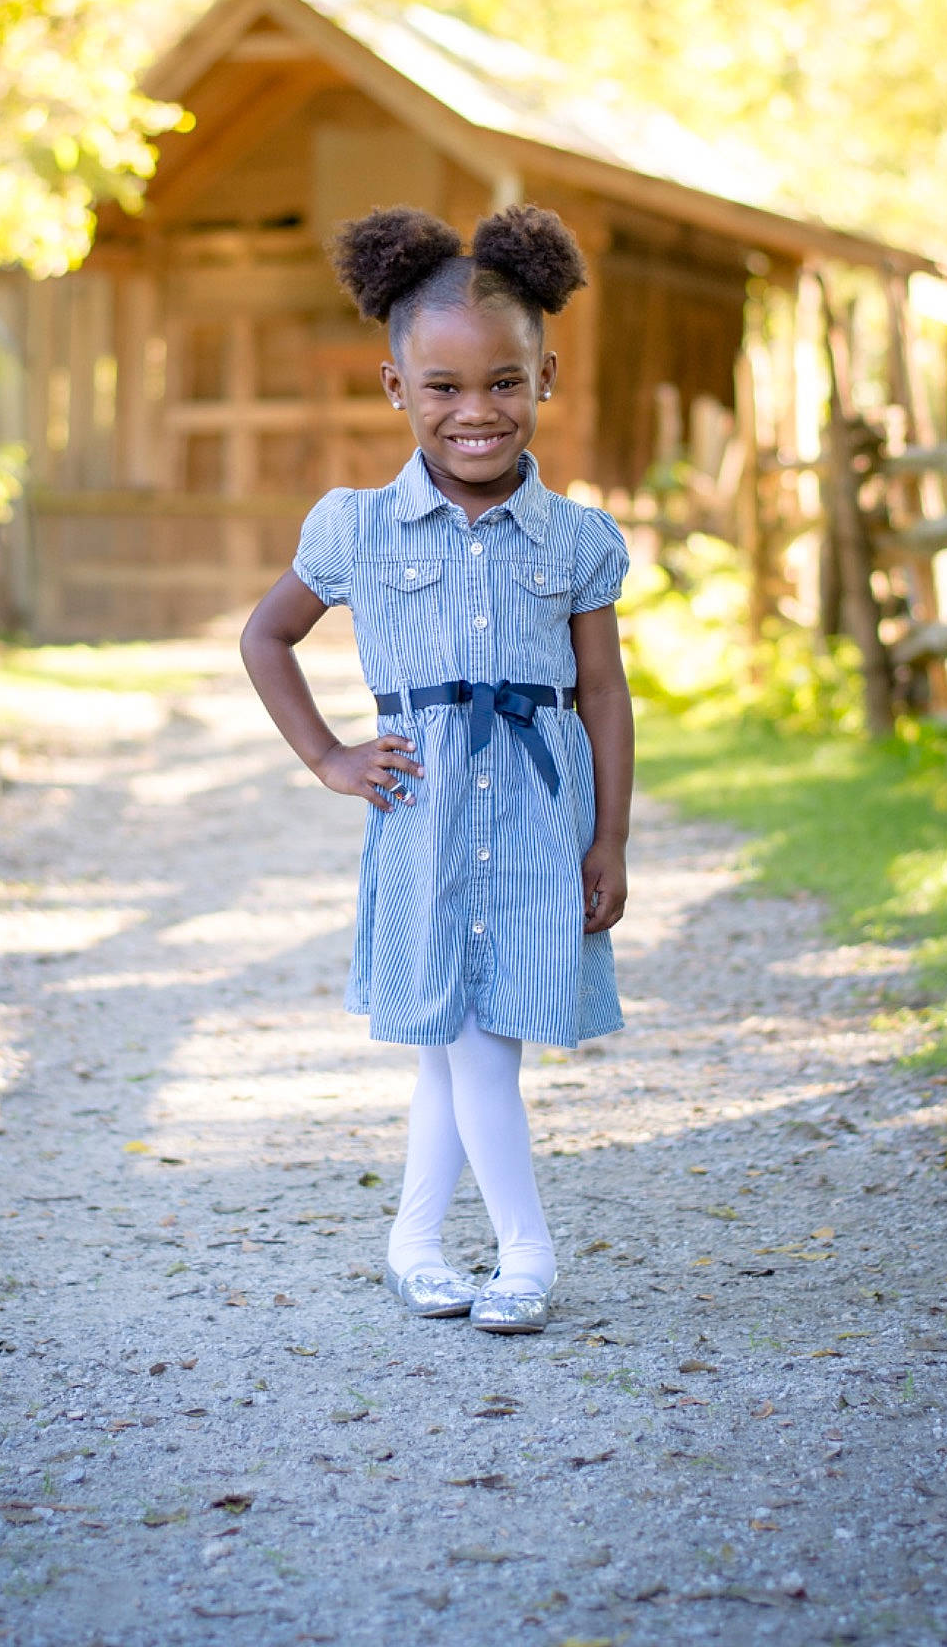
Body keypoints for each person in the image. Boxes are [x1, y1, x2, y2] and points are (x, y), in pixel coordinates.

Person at [240, 203, 633, 1335]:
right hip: (420, 815)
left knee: (470, 1040)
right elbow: (265, 636)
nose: (475, 411)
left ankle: (415, 1243)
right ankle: (524, 1248)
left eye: (503, 382)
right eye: (444, 387)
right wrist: (326, 753)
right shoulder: (356, 528)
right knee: (461, 1037)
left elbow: (601, 690)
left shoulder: (575, 540)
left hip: (537, 818)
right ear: (394, 387)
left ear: (545, 377)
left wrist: (608, 839)